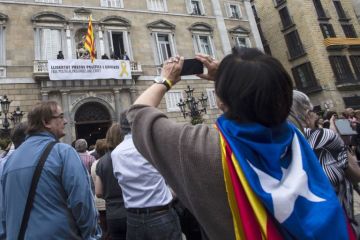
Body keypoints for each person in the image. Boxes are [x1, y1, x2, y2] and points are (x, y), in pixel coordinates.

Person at [125, 47, 355, 239]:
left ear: (222, 101)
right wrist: (227, 78)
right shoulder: (293, 134)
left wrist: (166, 79)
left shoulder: (203, 148)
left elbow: (137, 114)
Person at [0, 101, 101, 239]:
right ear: (46, 122)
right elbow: (81, 202)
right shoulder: (64, 152)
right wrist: (91, 235)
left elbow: (3, 211)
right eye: (60, 116)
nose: (65, 121)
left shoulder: (9, 161)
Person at [291, 90, 360, 235]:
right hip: (336, 221)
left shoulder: (280, 141)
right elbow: (356, 175)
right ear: (306, 111)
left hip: (303, 227)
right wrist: (338, 140)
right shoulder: (323, 136)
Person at [111, 111, 181, 240]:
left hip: (133, 219)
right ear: (139, 124)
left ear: (122, 127)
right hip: (161, 214)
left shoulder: (116, 153)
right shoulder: (151, 146)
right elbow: (174, 176)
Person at [96, 123, 127, 240]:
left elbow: (98, 192)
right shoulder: (127, 155)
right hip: (132, 211)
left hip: (112, 214)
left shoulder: (102, 161)